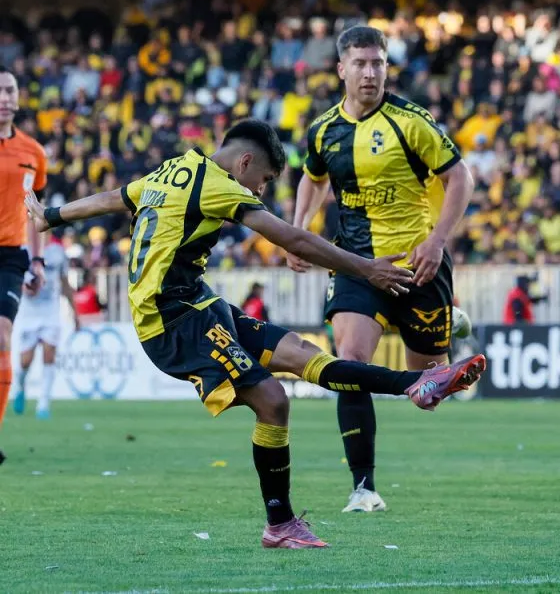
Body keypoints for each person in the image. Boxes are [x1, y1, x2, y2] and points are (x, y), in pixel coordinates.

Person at [24, 119, 486, 547]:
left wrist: (52, 216)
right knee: (273, 401)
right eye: (263, 180)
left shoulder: (175, 169)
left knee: (302, 354)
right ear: (245, 163)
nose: (260, 189)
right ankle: (279, 522)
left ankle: (417, 384)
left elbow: (112, 199)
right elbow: (294, 239)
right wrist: (367, 270)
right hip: (173, 321)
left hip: (199, 305)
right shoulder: (220, 186)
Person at [287, 26, 475, 514]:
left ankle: (454, 322)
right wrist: (298, 228)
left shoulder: (411, 122)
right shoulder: (325, 129)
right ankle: (363, 487)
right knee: (349, 361)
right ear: (341, 69)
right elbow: (313, 179)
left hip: (417, 263)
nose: (370, 72)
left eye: (378, 63)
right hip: (357, 264)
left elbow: (460, 178)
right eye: (361, 63)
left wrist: (437, 241)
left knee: (427, 385)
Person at [0, 66, 47, 466]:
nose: (4, 98)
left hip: (10, 255)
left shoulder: (33, 151)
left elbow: (38, 214)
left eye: (10, 90)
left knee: (2, 337)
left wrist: (39, 259)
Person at [12, 232, 77, 419]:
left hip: (51, 312)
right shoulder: (23, 249)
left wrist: (75, 313)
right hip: (28, 313)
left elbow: (65, 283)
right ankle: (20, 386)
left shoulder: (57, 251)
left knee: (49, 355)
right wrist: (22, 287)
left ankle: (43, 404)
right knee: (25, 361)